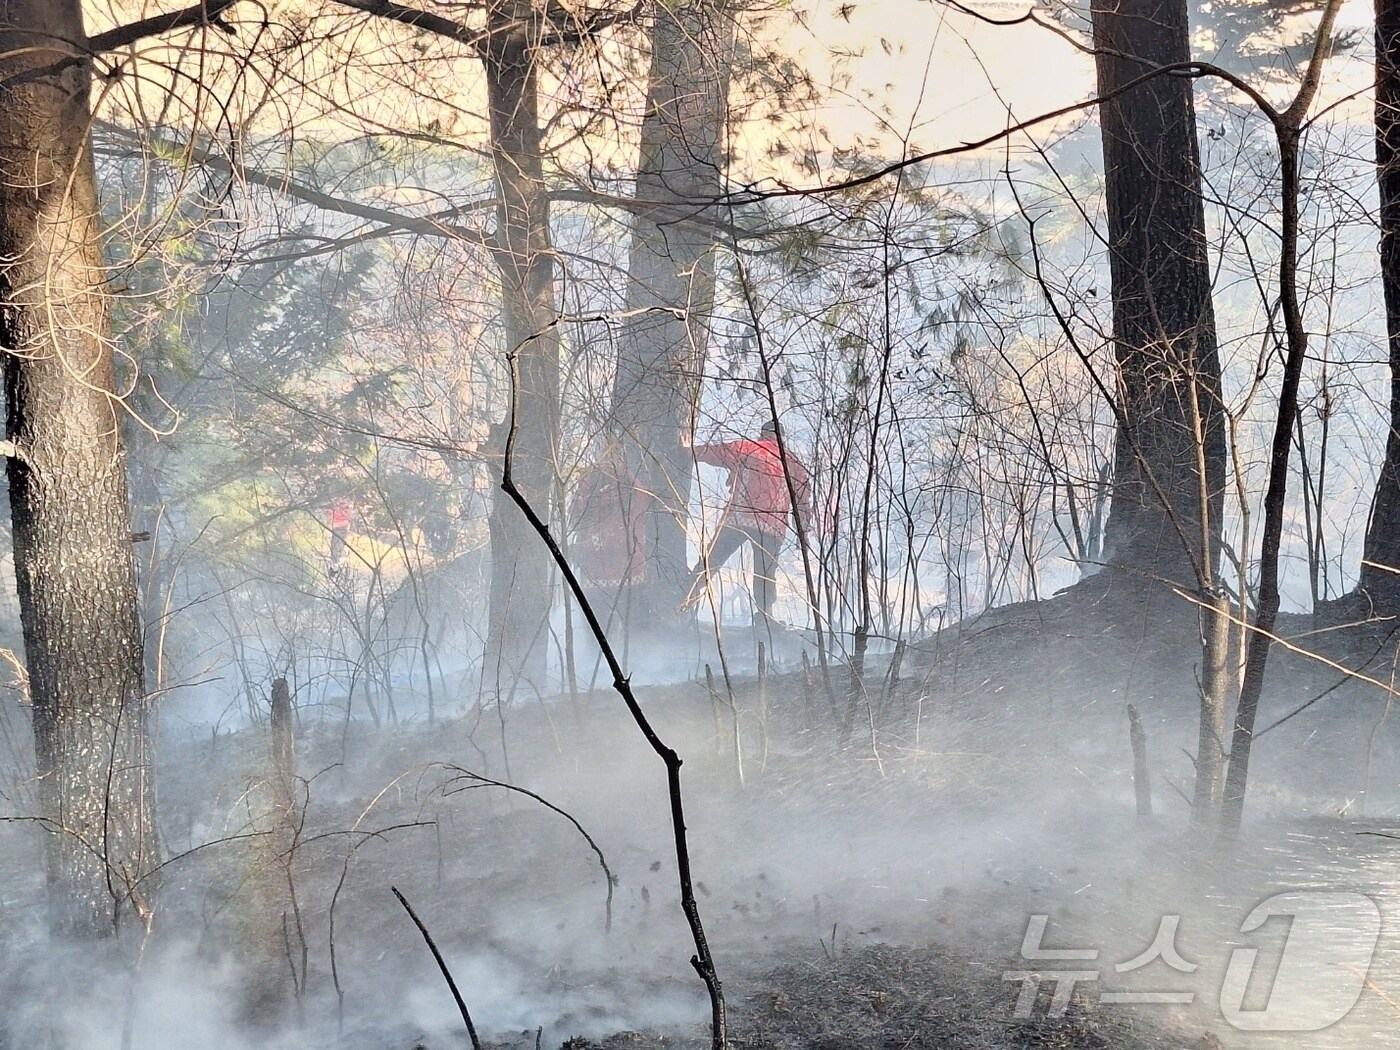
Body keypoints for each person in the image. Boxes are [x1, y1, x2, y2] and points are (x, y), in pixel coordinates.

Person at [685, 419, 810, 624]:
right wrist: (803, 530)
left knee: (712, 562)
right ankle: (765, 618)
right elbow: (803, 498)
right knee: (765, 574)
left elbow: (717, 453)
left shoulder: (748, 448)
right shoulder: (792, 462)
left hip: (738, 519)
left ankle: (685, 603)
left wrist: (689, 450)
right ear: (782, 438)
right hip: (773, 527)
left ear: (762, 433)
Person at [569, 435, 651, 615]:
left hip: (628, 574)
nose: (608, 460)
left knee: (633, 634)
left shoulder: (632, 487)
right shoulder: (588, 483)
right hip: (594, 577)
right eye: (604, 454)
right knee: (595, 634)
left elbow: (627, 530)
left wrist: (588, 545)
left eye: (613, 454)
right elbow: (576, 518)